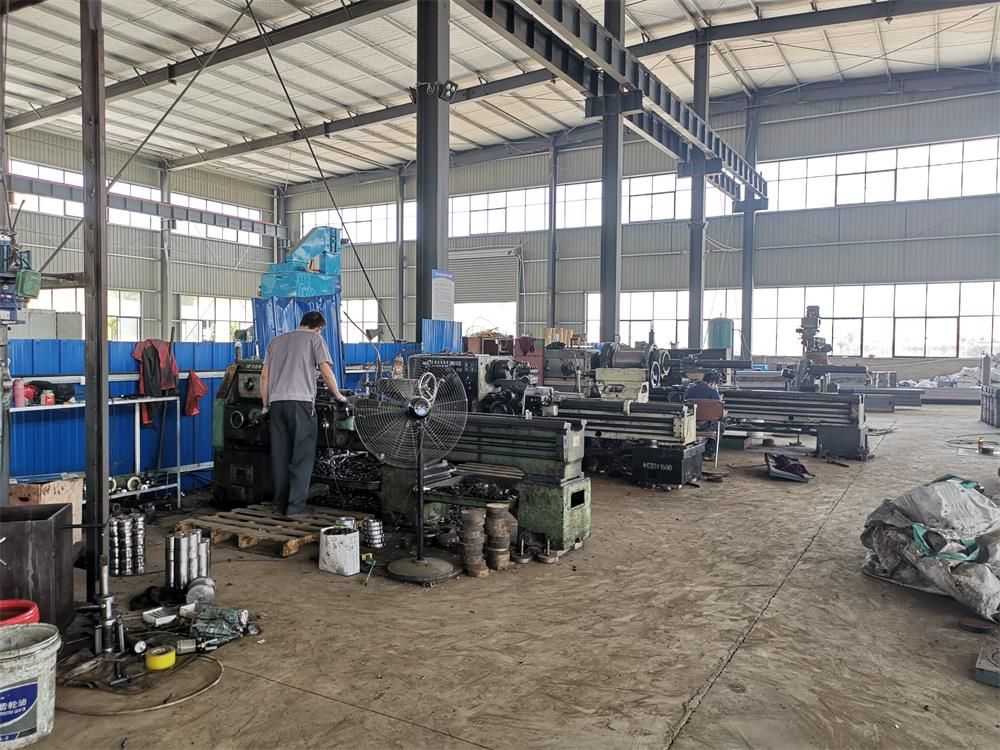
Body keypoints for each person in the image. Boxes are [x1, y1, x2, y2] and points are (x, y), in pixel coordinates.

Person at [260, 311, 348, 515]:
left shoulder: (275, 341)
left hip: (276, 404)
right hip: (301, 404)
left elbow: (264, 376)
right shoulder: (315, 339)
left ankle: (279, 505)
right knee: (302, 456)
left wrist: (265, 405)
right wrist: (339, 396)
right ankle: (295, 508)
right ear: (318, 327)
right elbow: (326, 372)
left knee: (280, 456)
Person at [685, 370, 722, 458]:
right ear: (712, 382)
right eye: (716, 384)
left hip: (690, 424)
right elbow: (718, 413)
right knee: (721, 425)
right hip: (705, 426)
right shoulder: (713, 392)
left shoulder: (689, 390)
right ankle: (709, 452)